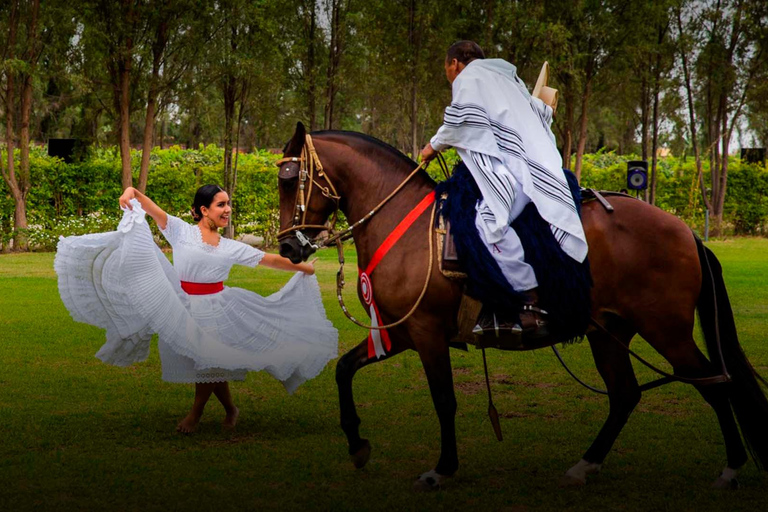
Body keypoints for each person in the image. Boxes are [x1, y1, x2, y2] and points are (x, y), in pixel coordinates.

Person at [55, 184, 338, 433]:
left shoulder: (230, 247)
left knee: (210, 361)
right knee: (211, 362)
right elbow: (149, 207)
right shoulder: (180, 231)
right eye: (221, 205)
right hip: (183, 304)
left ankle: (196, 413)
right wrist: (131, 193)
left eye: (228, 204)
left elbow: (271, 260)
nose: (227, 210)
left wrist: (304, 267)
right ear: (204, 210)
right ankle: (231, 410)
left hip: (218, 307)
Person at [420, 41, 588, 337]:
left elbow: (459, 119)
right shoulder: (507, 78)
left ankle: (529, 301)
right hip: (534, 164)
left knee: (488, 222)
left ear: (456, 63)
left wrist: (431, 148)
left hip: (515, 171)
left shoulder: (469, 77)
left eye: (446, 67)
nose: (448, 74)